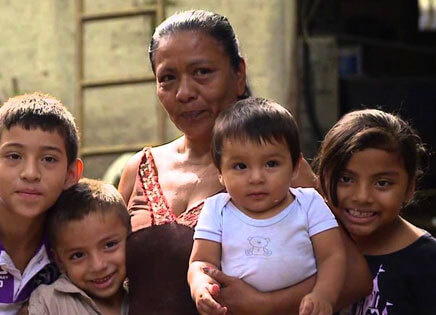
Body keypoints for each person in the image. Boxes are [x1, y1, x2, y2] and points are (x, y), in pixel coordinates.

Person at [118, 9, 371, 314]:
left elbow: (355, 277)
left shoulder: (279, 171)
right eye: (168, 78)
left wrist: (265, 304)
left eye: (202, 72)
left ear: (239, 75)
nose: (184, 93)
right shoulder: (139, 170)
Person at [189, 97, 346, 315]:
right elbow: (202, 261)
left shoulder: (308, 203)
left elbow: (332, 256)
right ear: (220, 173)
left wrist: (323, 295)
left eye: (271, 164)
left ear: (294, 168)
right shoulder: (217, 209)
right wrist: (201, 286)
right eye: (240, 166)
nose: (256, 178)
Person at [315, 108, 436, 314]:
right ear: (322, 179)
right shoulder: (308, 244)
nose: (362, 197)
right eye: (346, 179)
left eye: (382, 183)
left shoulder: (427, 261)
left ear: (409, 188)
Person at [0, 92, 82, 313]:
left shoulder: (80, 242)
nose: (31, 173)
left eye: (49, 159)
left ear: (71, 174)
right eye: (14, 156)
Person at [27, 178, 130, 314]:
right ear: (59, 261)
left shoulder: (147, 291)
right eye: (78, 255)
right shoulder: (49, 303)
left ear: (130, 237)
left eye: (109, 245)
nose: (98, 266)